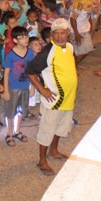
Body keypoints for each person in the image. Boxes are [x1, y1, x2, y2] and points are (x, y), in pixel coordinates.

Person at [25, 18, 78, 176]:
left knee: (62, 127)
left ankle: (53, 151)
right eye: (56, 33)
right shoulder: (48, 52)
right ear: (52, 35)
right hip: (54, 101)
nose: (60, 37)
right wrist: (43, 90)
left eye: (63, 33)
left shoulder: (69, 47)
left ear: (68, 33)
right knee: (47, 131)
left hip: (69, 98)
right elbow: (30, 71)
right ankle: (42, 160)